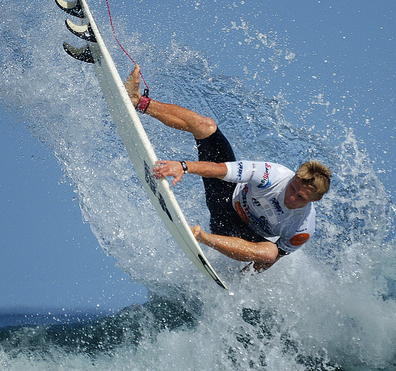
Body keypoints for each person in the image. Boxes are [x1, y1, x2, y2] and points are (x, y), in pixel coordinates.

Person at [123, 66, 332, 273]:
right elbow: (220, 170)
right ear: (293, 177)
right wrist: (183, 166)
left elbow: (268, 261)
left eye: (300, 198)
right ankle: (139, 102)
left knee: (270, 252)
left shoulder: (303, 228)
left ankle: (201, 237)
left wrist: (242, 281)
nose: (292, 197)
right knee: (206, 126)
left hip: (234, 234)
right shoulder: (271, 174)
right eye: (293, 188)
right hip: (225, 196)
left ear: (314, 201)